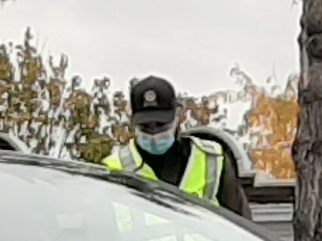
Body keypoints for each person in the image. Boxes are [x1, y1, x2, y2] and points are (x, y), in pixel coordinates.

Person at [99, 75, 246, 212]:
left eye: (162, 125)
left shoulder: (213, 159)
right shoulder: (113, 168)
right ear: (132, 121)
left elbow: (241, 224)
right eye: (145, 127)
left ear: (178, 115)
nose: (154, 133)